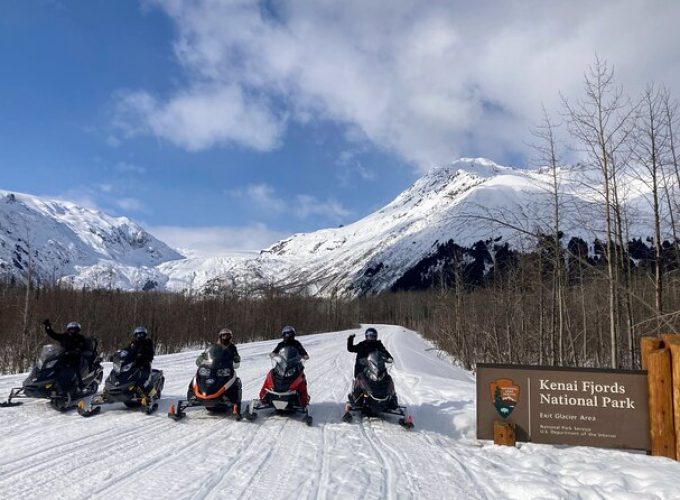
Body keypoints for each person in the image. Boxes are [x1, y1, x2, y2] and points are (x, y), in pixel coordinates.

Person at [42, 319, 90, 389]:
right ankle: (50, 383)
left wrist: (76, 351)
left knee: (75, 368)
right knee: (54, 367)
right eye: (71, 329)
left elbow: (82, 346)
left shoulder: (80, 338)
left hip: (74, 358)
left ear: (78, 330)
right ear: (68, 329)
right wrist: (48, 327)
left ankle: (80, 384)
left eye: (74, 329)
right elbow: (53, 335)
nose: (72, 331)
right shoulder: (64, 336)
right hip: (63, 356)